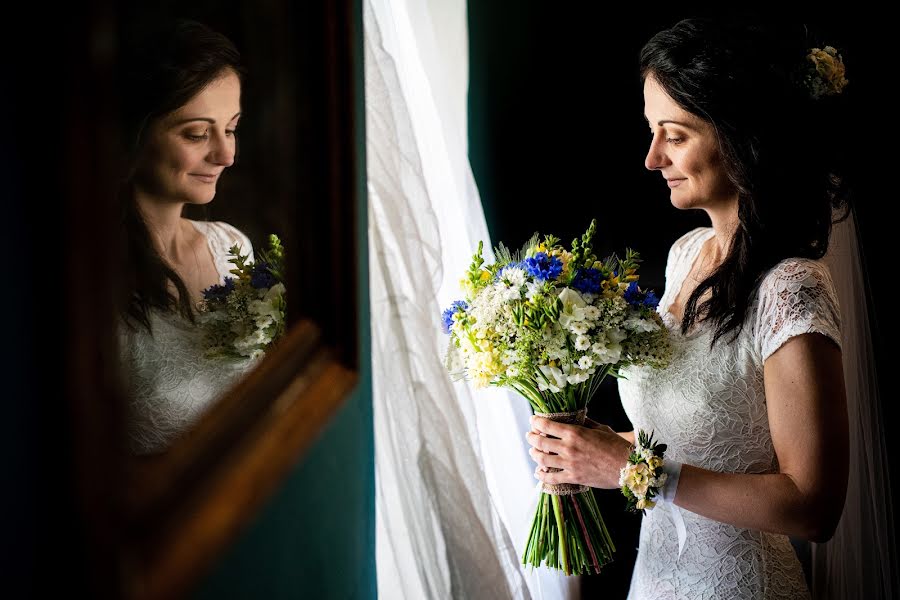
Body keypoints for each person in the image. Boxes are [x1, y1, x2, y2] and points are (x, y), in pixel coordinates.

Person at [527, 18, 896, 599]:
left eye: (674, 136)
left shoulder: (791, 288)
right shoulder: (686, 254)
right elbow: (700, 438)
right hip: (655, 581)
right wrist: (591, 451)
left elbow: (813, 506)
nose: (651, 159)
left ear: (741, 137)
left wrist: (628, 471)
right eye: (652, 132)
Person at [117, 19, 256, 455]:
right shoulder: (89, 279)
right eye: (197, 133)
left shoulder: (231, 246)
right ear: (134, 136)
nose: (226, 155)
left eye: (230, 128)